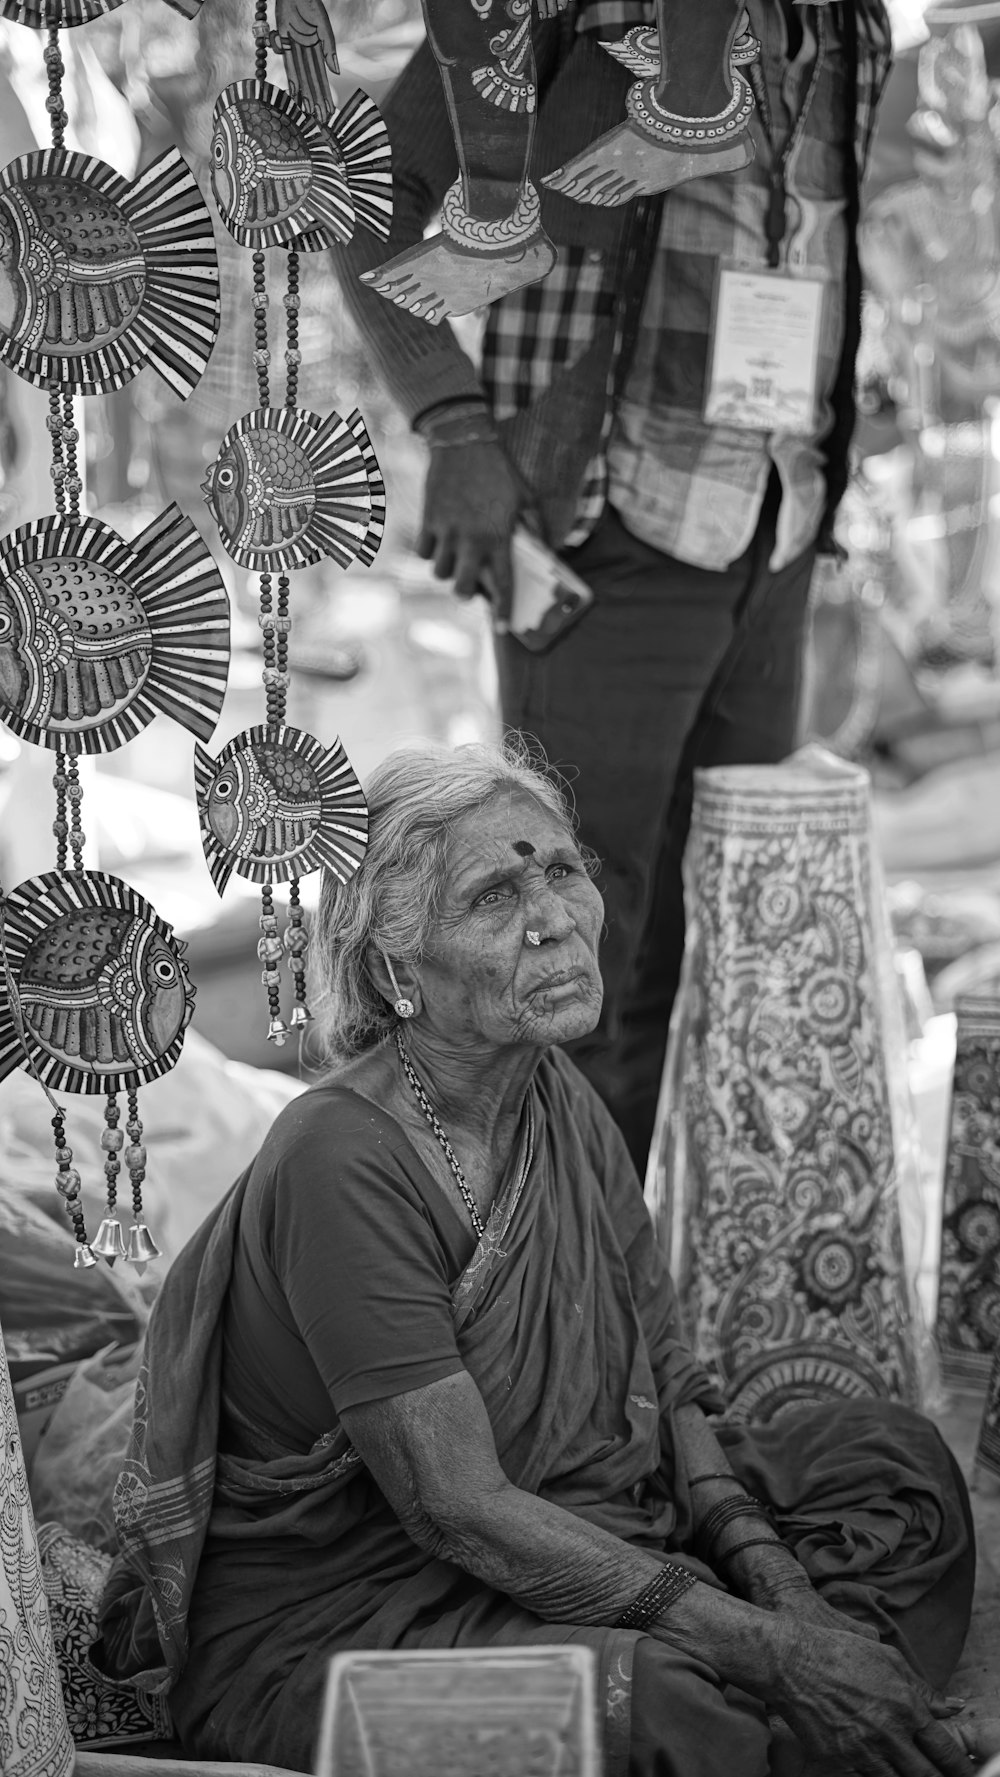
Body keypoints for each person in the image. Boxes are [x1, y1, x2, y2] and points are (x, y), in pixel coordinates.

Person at [94, 741, 980, 1777]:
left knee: (894, 1463)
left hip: (586, 1533)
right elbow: (457, 1507)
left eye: (561, 870)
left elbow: (673, 1385)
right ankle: (820, 1722)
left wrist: (782, 1594)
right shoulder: (339, 1159)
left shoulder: (554, 1096)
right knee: (648, 1704)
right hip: (340, 1623)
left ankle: (810, 1719)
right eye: (494, 895)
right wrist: (775, 1647)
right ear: (393, 964)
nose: (555, 918)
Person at [329, 0, 893, 1176]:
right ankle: (548, 1306)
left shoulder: (852, 26)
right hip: (606, 530)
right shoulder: (584, 11)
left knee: (710, 948)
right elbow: (360, 188)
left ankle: (626, 1276)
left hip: (772, 527)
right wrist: (453, 421)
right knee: (565, 957)